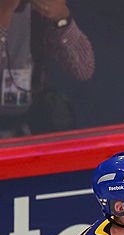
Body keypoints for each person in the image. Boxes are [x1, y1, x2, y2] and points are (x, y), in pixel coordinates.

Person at [0, 0, 94, 136]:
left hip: (28, 112)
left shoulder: (36, 13)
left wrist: (62, 18)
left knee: (60, 118)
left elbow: (83, 68)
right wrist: (4, 16)